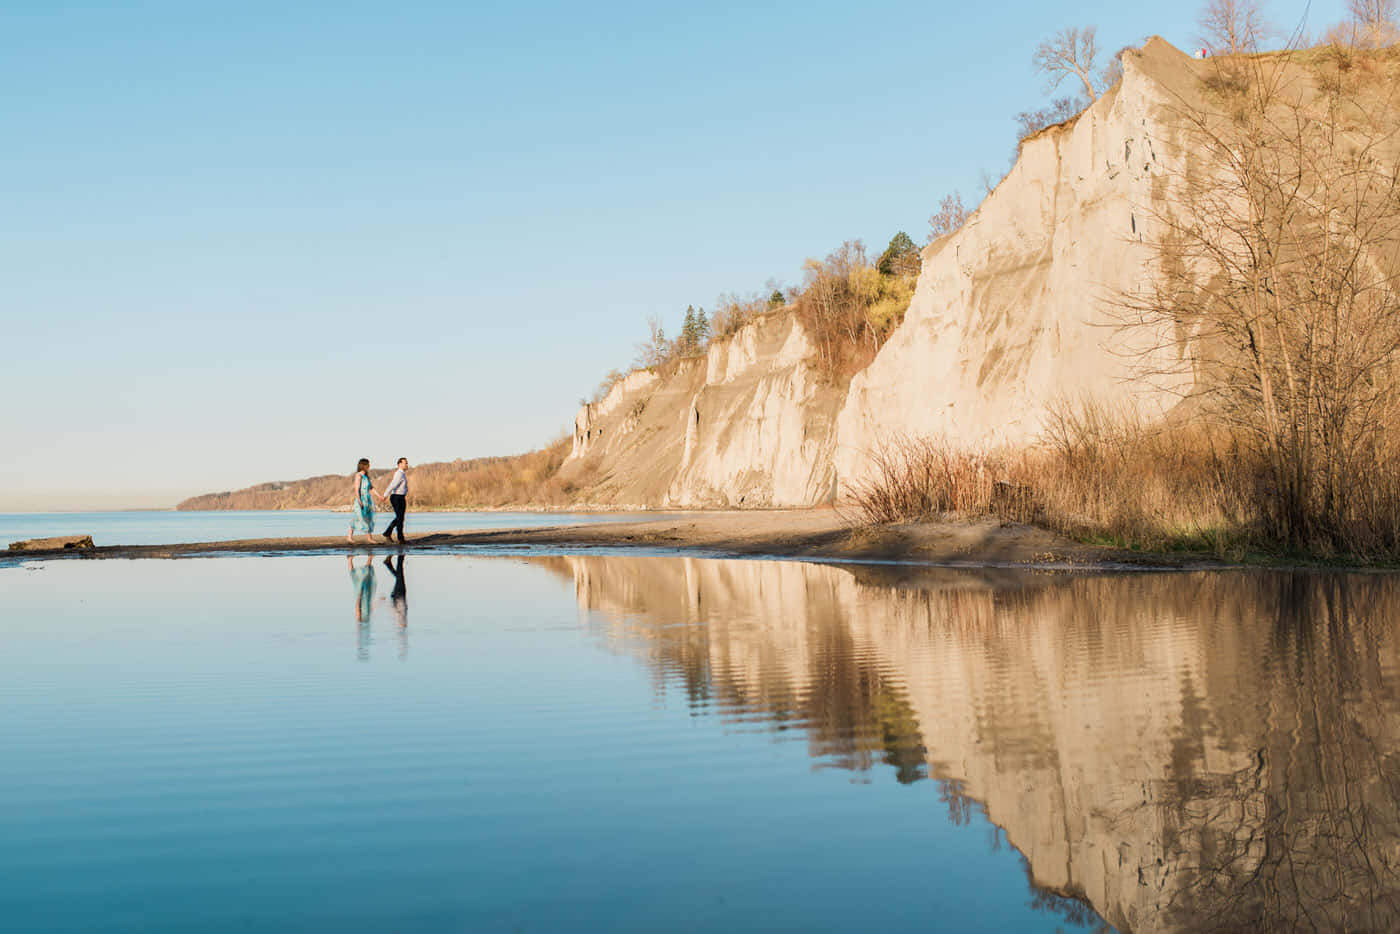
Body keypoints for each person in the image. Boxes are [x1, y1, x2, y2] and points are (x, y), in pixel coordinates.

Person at [347, 457, 385, 543]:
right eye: (368, 464)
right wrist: (359, 500)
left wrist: (379, 496)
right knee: (358, 517)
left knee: (367, 518)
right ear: (363, 465)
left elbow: (371, 488)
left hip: (367, 499)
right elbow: (356, 489)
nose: (369, 466)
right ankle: (350, 537)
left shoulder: (366, 476)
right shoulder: (358, 475)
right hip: (361, 499)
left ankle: (368, 538)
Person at [381, 457, 410, 543]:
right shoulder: (399, 474)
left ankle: (388, 532)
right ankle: (400, 538)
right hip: (396, 497)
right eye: (405, 463)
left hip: (401, 497)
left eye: (407, 463)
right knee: (400, 518)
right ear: (400, 464)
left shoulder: (402, 474)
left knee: (400, 518)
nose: (407, 465)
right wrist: (385, 495)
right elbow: (392, 485)